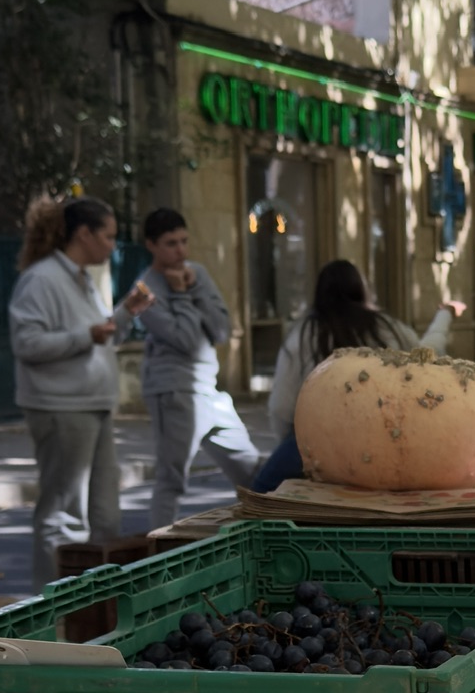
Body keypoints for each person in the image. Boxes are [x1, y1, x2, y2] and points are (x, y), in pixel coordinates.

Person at [9, 195, 151, 586]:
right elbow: (27, 343)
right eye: (107, 236)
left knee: (105, 515)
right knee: (64, 515)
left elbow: (99, 334)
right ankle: (50, 612)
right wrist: (85, 334)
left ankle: (94, 609)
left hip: (92, 405)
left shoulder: (81, 277)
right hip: (61, 407)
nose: (112, 245)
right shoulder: (41, 279)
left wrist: (125, 314)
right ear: (83, 234)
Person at [254, 261, 454, 492]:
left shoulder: (304, 335)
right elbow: (426, 356)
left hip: (319, 436)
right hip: (389, 434)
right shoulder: (388, 328)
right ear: (362, 289)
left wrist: (295, 442)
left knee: (261, 491)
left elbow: (281, 406)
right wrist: (444, 315)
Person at [136, 208, 260, 530]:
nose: (180, 251)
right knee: (171, 481)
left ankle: (265, 534)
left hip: (209, 389)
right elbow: (188, 340)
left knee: (252, 472)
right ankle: (158, 555)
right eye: (170, 243)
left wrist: (193, 291)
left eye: (184, 241)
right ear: (151, 245)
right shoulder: (145, 291)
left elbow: (221, 330)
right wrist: (178, 294)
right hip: (174, 392)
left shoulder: (197, 274)